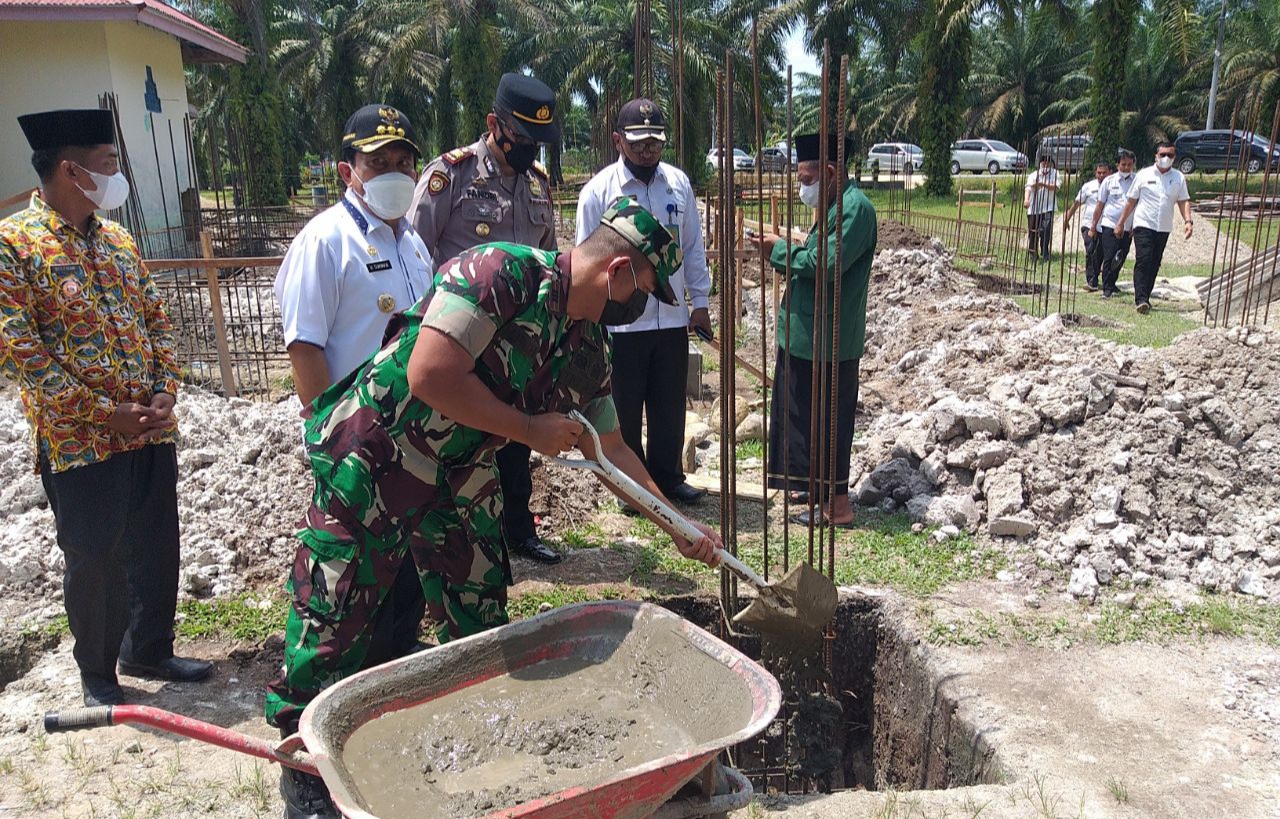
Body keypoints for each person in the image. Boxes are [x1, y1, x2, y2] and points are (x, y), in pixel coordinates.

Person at [264, 197, 723, 819]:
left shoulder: (586, 347)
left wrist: (675, 523)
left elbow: (610, 447)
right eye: (645, 286)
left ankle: (472, 754)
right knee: (336, 611)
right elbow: (430, 374)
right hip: (380, 452)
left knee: (478, 609)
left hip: (460, 471)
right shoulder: (497, 272)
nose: (642, 302)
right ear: (617, 272)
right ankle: (303, 771)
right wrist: (529, 429)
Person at [0, 110, 213, 707]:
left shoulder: (118, 239)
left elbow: (157, 320)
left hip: (148, 429)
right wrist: (102, 412)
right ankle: (98, 674)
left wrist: (167, 387)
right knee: (93, 556)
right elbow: (24, 353)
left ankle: (149, 647)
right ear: (71, 169)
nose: (118, 176)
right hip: (79, 440)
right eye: (108, 164)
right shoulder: (14, 244)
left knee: (155, 541)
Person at [274, 104, 435, 676]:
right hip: (354, 440)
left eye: (403, 162)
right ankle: (343, 683)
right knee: (351, 575)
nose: (394, 173)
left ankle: (397, 662)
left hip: (413, 438)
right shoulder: (325, 242)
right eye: (378, 162)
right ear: (349, 171)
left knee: (405, 564)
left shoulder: (413, 244)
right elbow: (305, 349)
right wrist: (329, 435)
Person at [409, 72, 561, 564]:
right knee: (456, 440)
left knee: (517, 437)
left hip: (514, 345)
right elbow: (415, 254)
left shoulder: (538, 186)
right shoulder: (450, 177)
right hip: (458, 340)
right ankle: (454, 544)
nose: (529, 152)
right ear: (494, 124)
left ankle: (519, 530)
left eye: (537, 143)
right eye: (521, 139)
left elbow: (549, 261)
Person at [574, 99, 711, 505]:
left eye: (655, 143)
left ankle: (668, 477)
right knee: (624, 403)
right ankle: (630, 488)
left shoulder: (678, 185)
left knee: (670, 401)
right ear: (618, 141)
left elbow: (693, 247)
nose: (647, 151)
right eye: (638, 144)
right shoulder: (599, 191)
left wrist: (699, 302)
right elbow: (586, 257)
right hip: (620, 320)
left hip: (669, 316)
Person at [749, 133, 877, 528]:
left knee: (829, 422)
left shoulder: (855, 208)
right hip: (807, 337)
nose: (802, 187)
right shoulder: (834, 205)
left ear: (832, 172)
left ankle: (837, 506)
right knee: (802, 418)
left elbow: (826, 263)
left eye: (806, 179)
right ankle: (812, 488)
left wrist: (778, 251)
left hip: (830, 342)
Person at [1112, 142, 1193, 313]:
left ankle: (1146, 296)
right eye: (1162, 154)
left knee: (1155, 262)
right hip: (1144, 224)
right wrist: (1120, 223)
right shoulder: (1143, 174)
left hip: (1163, 226)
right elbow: (1131, 201)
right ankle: (1140, 298)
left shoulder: (1178, 177)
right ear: (1156, 156)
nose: (1166, 158)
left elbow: (1183, 200)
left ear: (1174, 157)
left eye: (1170, 155)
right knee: (1144, 259)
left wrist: (1188, 221)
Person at [1089, 149, 1138, 299]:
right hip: (1109, 224)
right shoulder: (1109, 181)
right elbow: (1100, 205)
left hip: (1128, 226)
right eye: (1123, 164)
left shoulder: (1137, 180)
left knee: (1121, 256)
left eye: (1129, 165)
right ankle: (1107, 289)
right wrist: (1093, 226)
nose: (1126, 168)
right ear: (1117, 165)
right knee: (1109, 256)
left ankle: (1112, 282)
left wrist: (1135, 226)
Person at [1063, 161, 1111, 291]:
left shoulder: (1114, 186)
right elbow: (1077, 203)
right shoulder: (1088, 186)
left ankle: (1105, 280)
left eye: (1104, 173)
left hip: (1106, 225)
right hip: (1088, 224)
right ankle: (1092, 281)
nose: (1101, 175)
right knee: (1091, 251)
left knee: (1101, 254)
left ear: (1110, 173)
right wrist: (1067, 218)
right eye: (1099, 173)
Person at [1025, 154, 1059, 260]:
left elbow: (1056, 187)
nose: (1045, 166)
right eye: (1043, 164)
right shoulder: (1033, 175)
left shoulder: (1055, 174)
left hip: (1048, 206)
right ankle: (1032, 254)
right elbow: (1028, 188)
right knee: (1033, 231)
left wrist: (1043, 184)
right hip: (1034, 208)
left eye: (1047, 164)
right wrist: (1026, 200)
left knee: (1046, 230)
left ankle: (1045, 251)